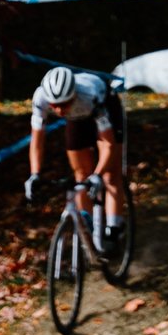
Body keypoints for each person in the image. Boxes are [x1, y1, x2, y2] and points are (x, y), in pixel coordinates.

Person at [24, 63, 127, 241]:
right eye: (54, 105)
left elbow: (108, 143)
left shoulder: (89, 95)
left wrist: (98, 174)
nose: (59, 111)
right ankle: (89, 231)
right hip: (77, 113)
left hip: (104, 105)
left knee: (109, 175)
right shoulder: (40, 99)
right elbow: (37, 141)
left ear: (73, 95)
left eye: (64, 104)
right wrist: (34, 174)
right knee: (81, 175)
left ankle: (114, 227)